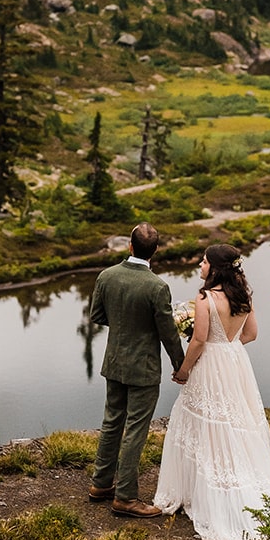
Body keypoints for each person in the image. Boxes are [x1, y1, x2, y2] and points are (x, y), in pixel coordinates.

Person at [154, 243, 270, 540]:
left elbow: (198, 341)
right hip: (235, 364)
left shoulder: (205, 298)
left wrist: (183, 370)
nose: (200, 266)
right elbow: (251, 335)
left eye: (204, 262)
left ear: (215, 268)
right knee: (236, 420)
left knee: (203, 421)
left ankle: (200, 492)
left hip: (210, 364)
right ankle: (240, 477)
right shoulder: (243, 296)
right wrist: (229, 348)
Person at [88, 222, 184, 518]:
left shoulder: (107, 276)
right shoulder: (157, 287)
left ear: (129, 246)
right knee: (136, 430)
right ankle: (126, 497)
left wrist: (123, 325)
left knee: (112, 422)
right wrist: (180, 365)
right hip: (143, 368)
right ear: (154, 251)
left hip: (114, 361)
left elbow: (97, 315)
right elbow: (168, 333)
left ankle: (101, 484)